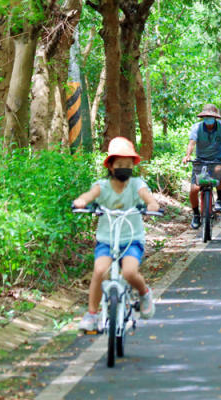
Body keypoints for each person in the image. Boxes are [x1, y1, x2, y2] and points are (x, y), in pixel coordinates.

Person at [73, 137, 160, 332]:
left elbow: (148, 197)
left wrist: (152, 205)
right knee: (99, 272)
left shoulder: (136, 183)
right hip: (106, 241)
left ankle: (144, 293)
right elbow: (90, 195)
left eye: (128, 165)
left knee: (129, 272)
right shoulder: (102, 186)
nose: (124, 168)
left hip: (131, 241)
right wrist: (81, 201)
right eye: (119, 164)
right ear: (111, 166)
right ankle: (92, 314)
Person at [182, 104, 221, 228]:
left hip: (217, 159)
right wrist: (188, 155)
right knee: (194, 189)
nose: (208, 119)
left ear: (215, 118)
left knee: (219, 173)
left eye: (211, 117)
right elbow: (192, 142)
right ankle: (195, 215)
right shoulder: (197, 127)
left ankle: (219, 200)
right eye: (206, 116)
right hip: (201, 160)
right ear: (203, 117)